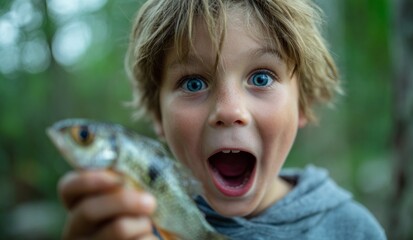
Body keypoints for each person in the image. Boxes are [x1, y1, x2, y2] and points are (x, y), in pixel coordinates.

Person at [58, 0, 386, 239]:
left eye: (261, 78)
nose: (229, 111)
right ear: (158, 115)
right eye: (193, 83)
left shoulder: (353, 230)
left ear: (303, 104)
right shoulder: (133, 226)